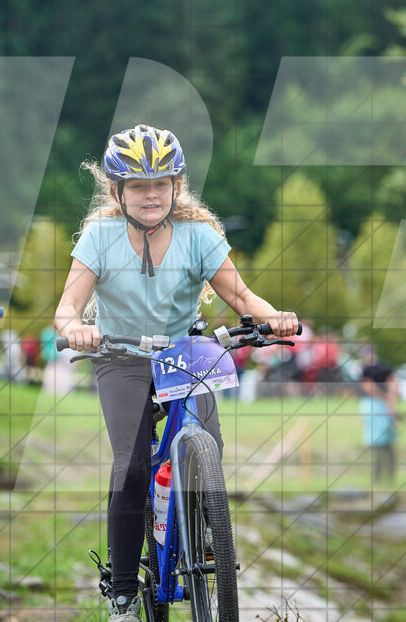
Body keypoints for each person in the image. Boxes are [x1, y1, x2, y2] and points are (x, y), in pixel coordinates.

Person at [53, 125, 298, 622]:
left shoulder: (199, 237)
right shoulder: (99, 238)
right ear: (118, 191)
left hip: (184, 352)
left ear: (176, 188)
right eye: (138, 186)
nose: (150, 195)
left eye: (160, 184)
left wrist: (273, 316)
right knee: (132, 464)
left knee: (209, 439)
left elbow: (243, 298)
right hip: (120, 355)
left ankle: (201, 531)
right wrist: (76, 328)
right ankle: (122, 588)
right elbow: (66, 310)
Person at [358, 345, 399, 484]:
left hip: (382, 405)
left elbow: (392, 383)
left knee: (388, 440)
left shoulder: (383, 368)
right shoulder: (365, 371)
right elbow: (368, 387)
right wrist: (386, 399)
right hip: (373, 404)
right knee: (377, 442)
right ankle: (378, 476)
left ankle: (388, 476)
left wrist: (390, 402)